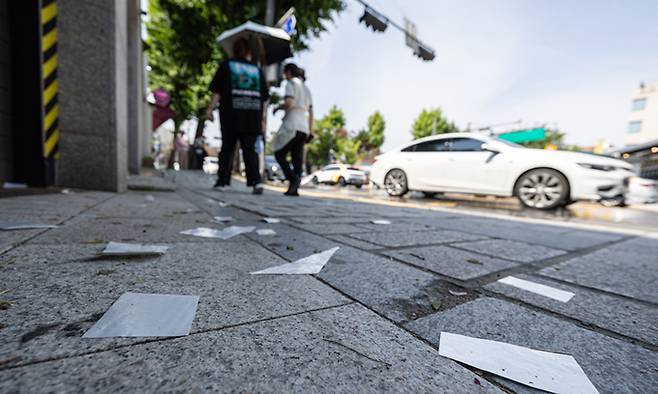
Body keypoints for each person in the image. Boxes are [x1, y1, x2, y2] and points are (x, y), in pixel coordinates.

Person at [205, 37, 269, 194]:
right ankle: (255, 182)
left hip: (230, 114)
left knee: (227, 148)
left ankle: (223, 182)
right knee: (249, 150)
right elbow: (264, 98)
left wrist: (209, 110)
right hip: (252, 116)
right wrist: (262, 120)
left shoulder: (226, 66)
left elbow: (217, 92)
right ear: (248, 52)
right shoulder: (256, 70)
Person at [271, 63, 313, 196]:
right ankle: (294, 188)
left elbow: (289, 102)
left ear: (288, 72)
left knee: (279, 153)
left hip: (292, 124)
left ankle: (292, 179)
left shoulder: (291, 83)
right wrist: (311, 131)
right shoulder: (306, 88)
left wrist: (278, 107)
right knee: (297, 158)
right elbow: (311, 113)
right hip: (304, 127)